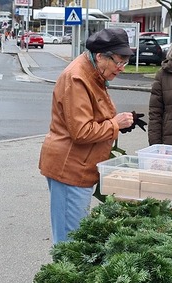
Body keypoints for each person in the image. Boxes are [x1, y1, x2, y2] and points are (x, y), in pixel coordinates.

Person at [39, 28, 146, 244]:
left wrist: (119, 125)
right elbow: (81, 132)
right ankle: (66, 278)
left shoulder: (93, 72)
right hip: (70, 169)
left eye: (125, 62)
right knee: (70, 242)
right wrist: (114, 124)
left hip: (79, 167)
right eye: (118, 62)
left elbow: (92, 117)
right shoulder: (77, 77)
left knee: (75, 237)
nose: (121, 68)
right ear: (100, 56)